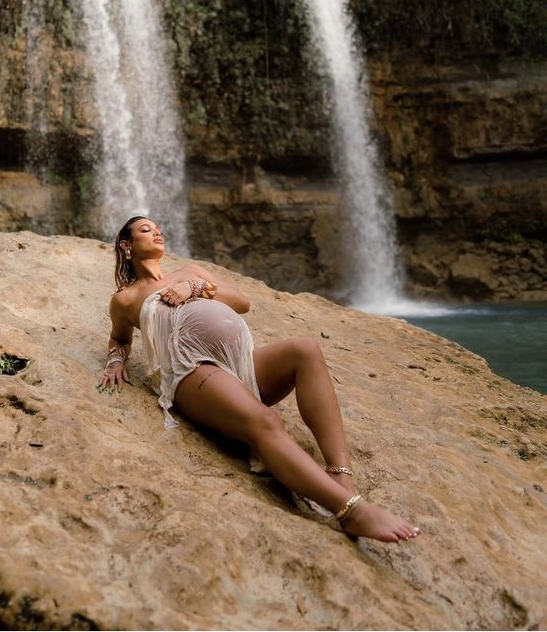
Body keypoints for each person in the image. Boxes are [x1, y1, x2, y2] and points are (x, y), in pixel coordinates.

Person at [98, 215, 420, 544]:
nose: (157, 232)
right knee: (266, 420)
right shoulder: (125, 299)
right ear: (127, 246)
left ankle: (341, 476)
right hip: (192, 369)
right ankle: (351, 511)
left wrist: (192, 288)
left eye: (157, 227)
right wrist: (114, 361)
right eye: (145, 230)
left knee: (305, 349)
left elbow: (242, 303)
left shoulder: (190, 273)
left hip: (240, 364)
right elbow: (120, 339)